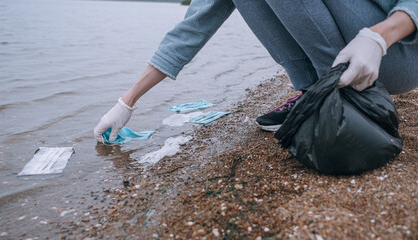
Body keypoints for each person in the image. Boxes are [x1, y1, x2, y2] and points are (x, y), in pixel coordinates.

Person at [94, 0, 418, 143]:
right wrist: (127, 102)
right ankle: (313, 90)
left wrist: (378, 38)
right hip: (355, 55)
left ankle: (334, 94)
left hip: (397, 49)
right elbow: (191, 29)